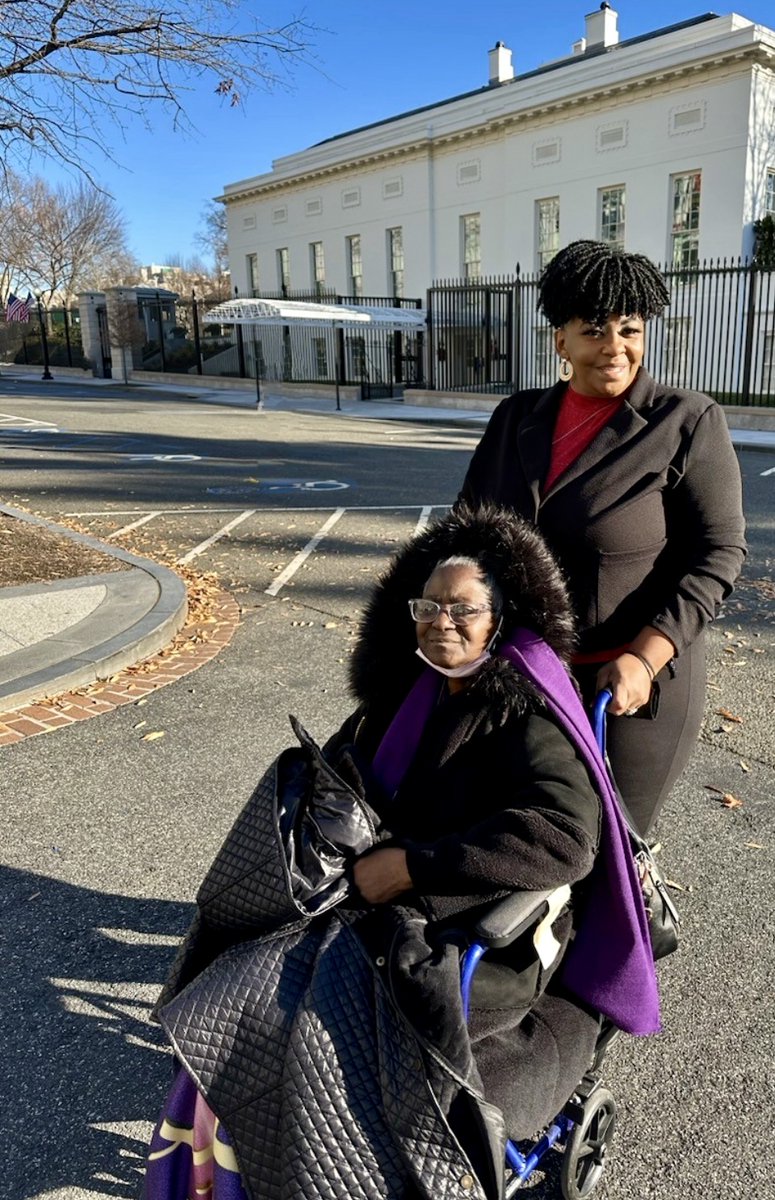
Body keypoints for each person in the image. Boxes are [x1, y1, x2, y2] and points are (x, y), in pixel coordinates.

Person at [143, 504, 658, 1200]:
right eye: (428, 605)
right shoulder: (404, 696)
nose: (440, 621)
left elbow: (563, 839)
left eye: (463, 609)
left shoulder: (525, 716)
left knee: (280, 1015)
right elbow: (344, 770)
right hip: (368, 904)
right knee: (232, 978)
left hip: (467, 930)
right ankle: (213, 1176)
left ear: (502, 618)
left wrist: (415, 867)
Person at [459, 239, 747, 837]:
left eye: (630, 329)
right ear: (560, 340)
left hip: (634, 683)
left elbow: (718, 554)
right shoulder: (516, 417)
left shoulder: (685, 421)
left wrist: (647, 654)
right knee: (522, 840)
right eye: (595, 329)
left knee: (611, 848)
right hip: (528, 674)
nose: (616, 348)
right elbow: (470, 528)